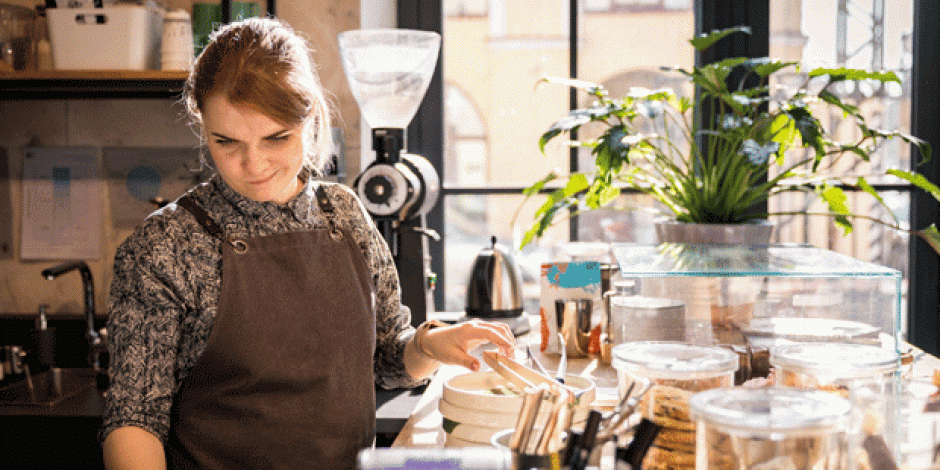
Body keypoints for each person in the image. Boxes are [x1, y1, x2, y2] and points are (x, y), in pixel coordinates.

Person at [101, 17, 515, 470]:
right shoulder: (164, 246)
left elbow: (385, 361)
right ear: (202, 126)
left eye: (276, 138)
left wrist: (431, 346)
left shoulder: (343, 213)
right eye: (226, 142)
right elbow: (134, 417)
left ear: (310, 118)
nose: (252, 163)